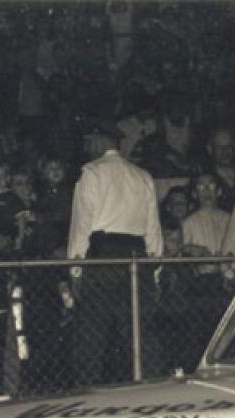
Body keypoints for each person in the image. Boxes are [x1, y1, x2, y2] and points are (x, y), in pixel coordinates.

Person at [66, 117, 163, 385]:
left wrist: (75, 269)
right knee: (139, 332)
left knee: (92, 334)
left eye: (89, 141)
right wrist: (154, 268)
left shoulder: (91, 173)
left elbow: (81, 226)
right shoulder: (142, 176)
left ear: (99, 140)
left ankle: (88, 390)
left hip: (103, 256)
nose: (86, 146)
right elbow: (153, 229)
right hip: (136, 255)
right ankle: (150, 386)